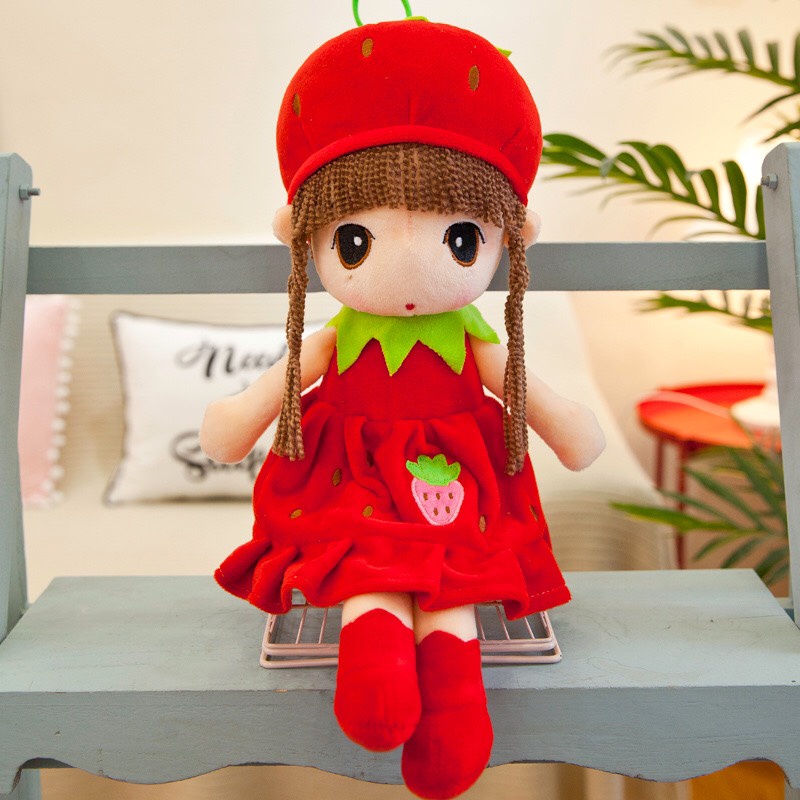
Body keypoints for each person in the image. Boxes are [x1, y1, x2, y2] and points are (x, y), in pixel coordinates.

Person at [200, 15, 605, 799]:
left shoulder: (472, 338)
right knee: (369, 563)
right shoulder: (336, 338)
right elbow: (276, 386)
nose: (412, 268)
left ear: (509, 237)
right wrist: (242, 413)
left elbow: (526, 393)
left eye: (461, 241)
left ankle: (454, 705)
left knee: (451, 577)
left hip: (457, 475)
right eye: (355, 243)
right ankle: (377, 659)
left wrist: (563, 422)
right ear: (304, 237)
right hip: (349, 473)